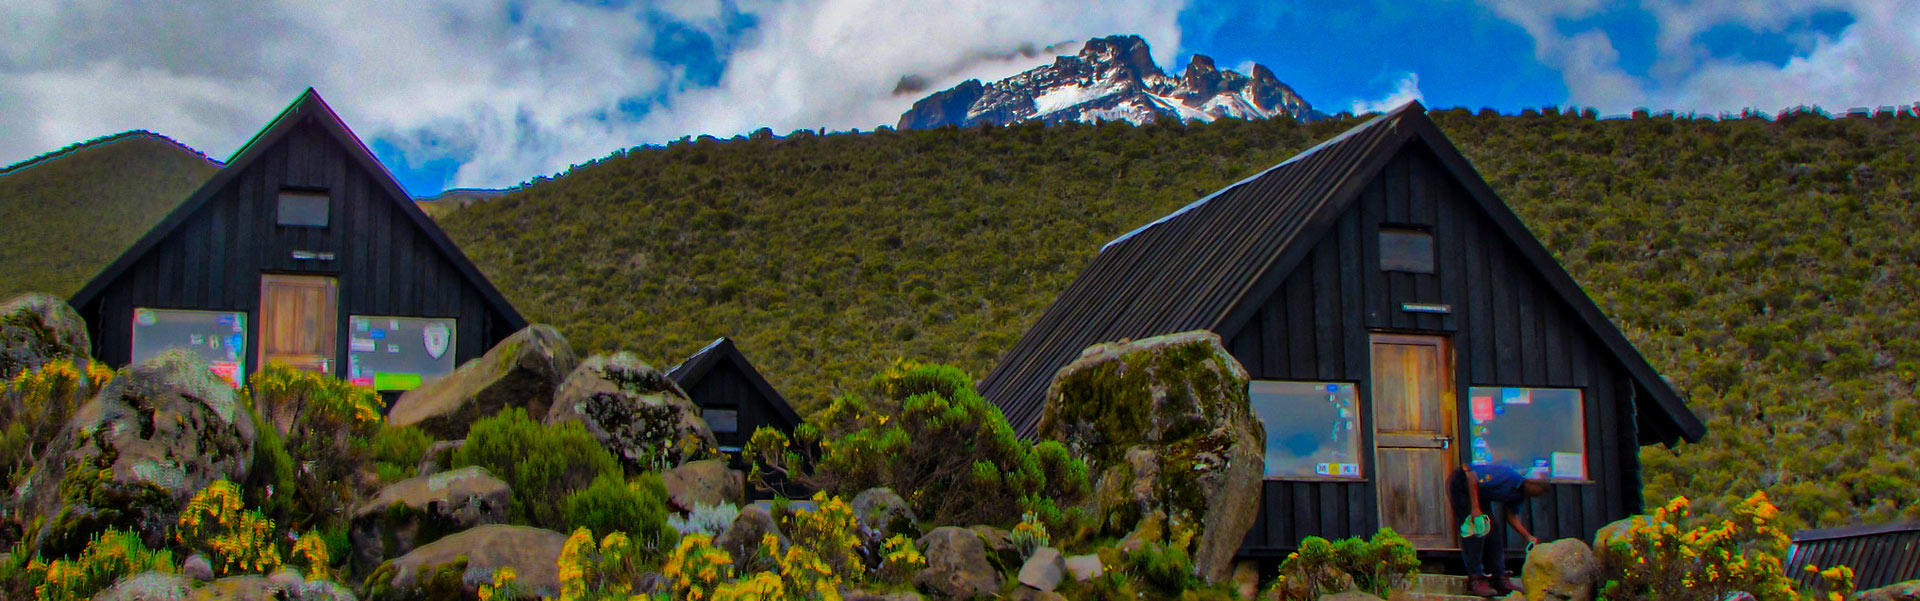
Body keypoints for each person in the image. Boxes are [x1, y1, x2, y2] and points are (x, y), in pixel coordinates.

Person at [1448, 464, 1551, 597]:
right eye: (1541, 491)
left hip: (1480, 493)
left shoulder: (1519, 495)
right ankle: (1475, 579)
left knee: (1493, 530)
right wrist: (1474, 509)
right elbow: (1473, 477)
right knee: (1475, 530)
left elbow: (1511, 516)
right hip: (1463, 481)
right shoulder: (1506, 476)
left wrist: (1527, 536)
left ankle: (1499, 578)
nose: (1539, 496)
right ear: (1532, 483)